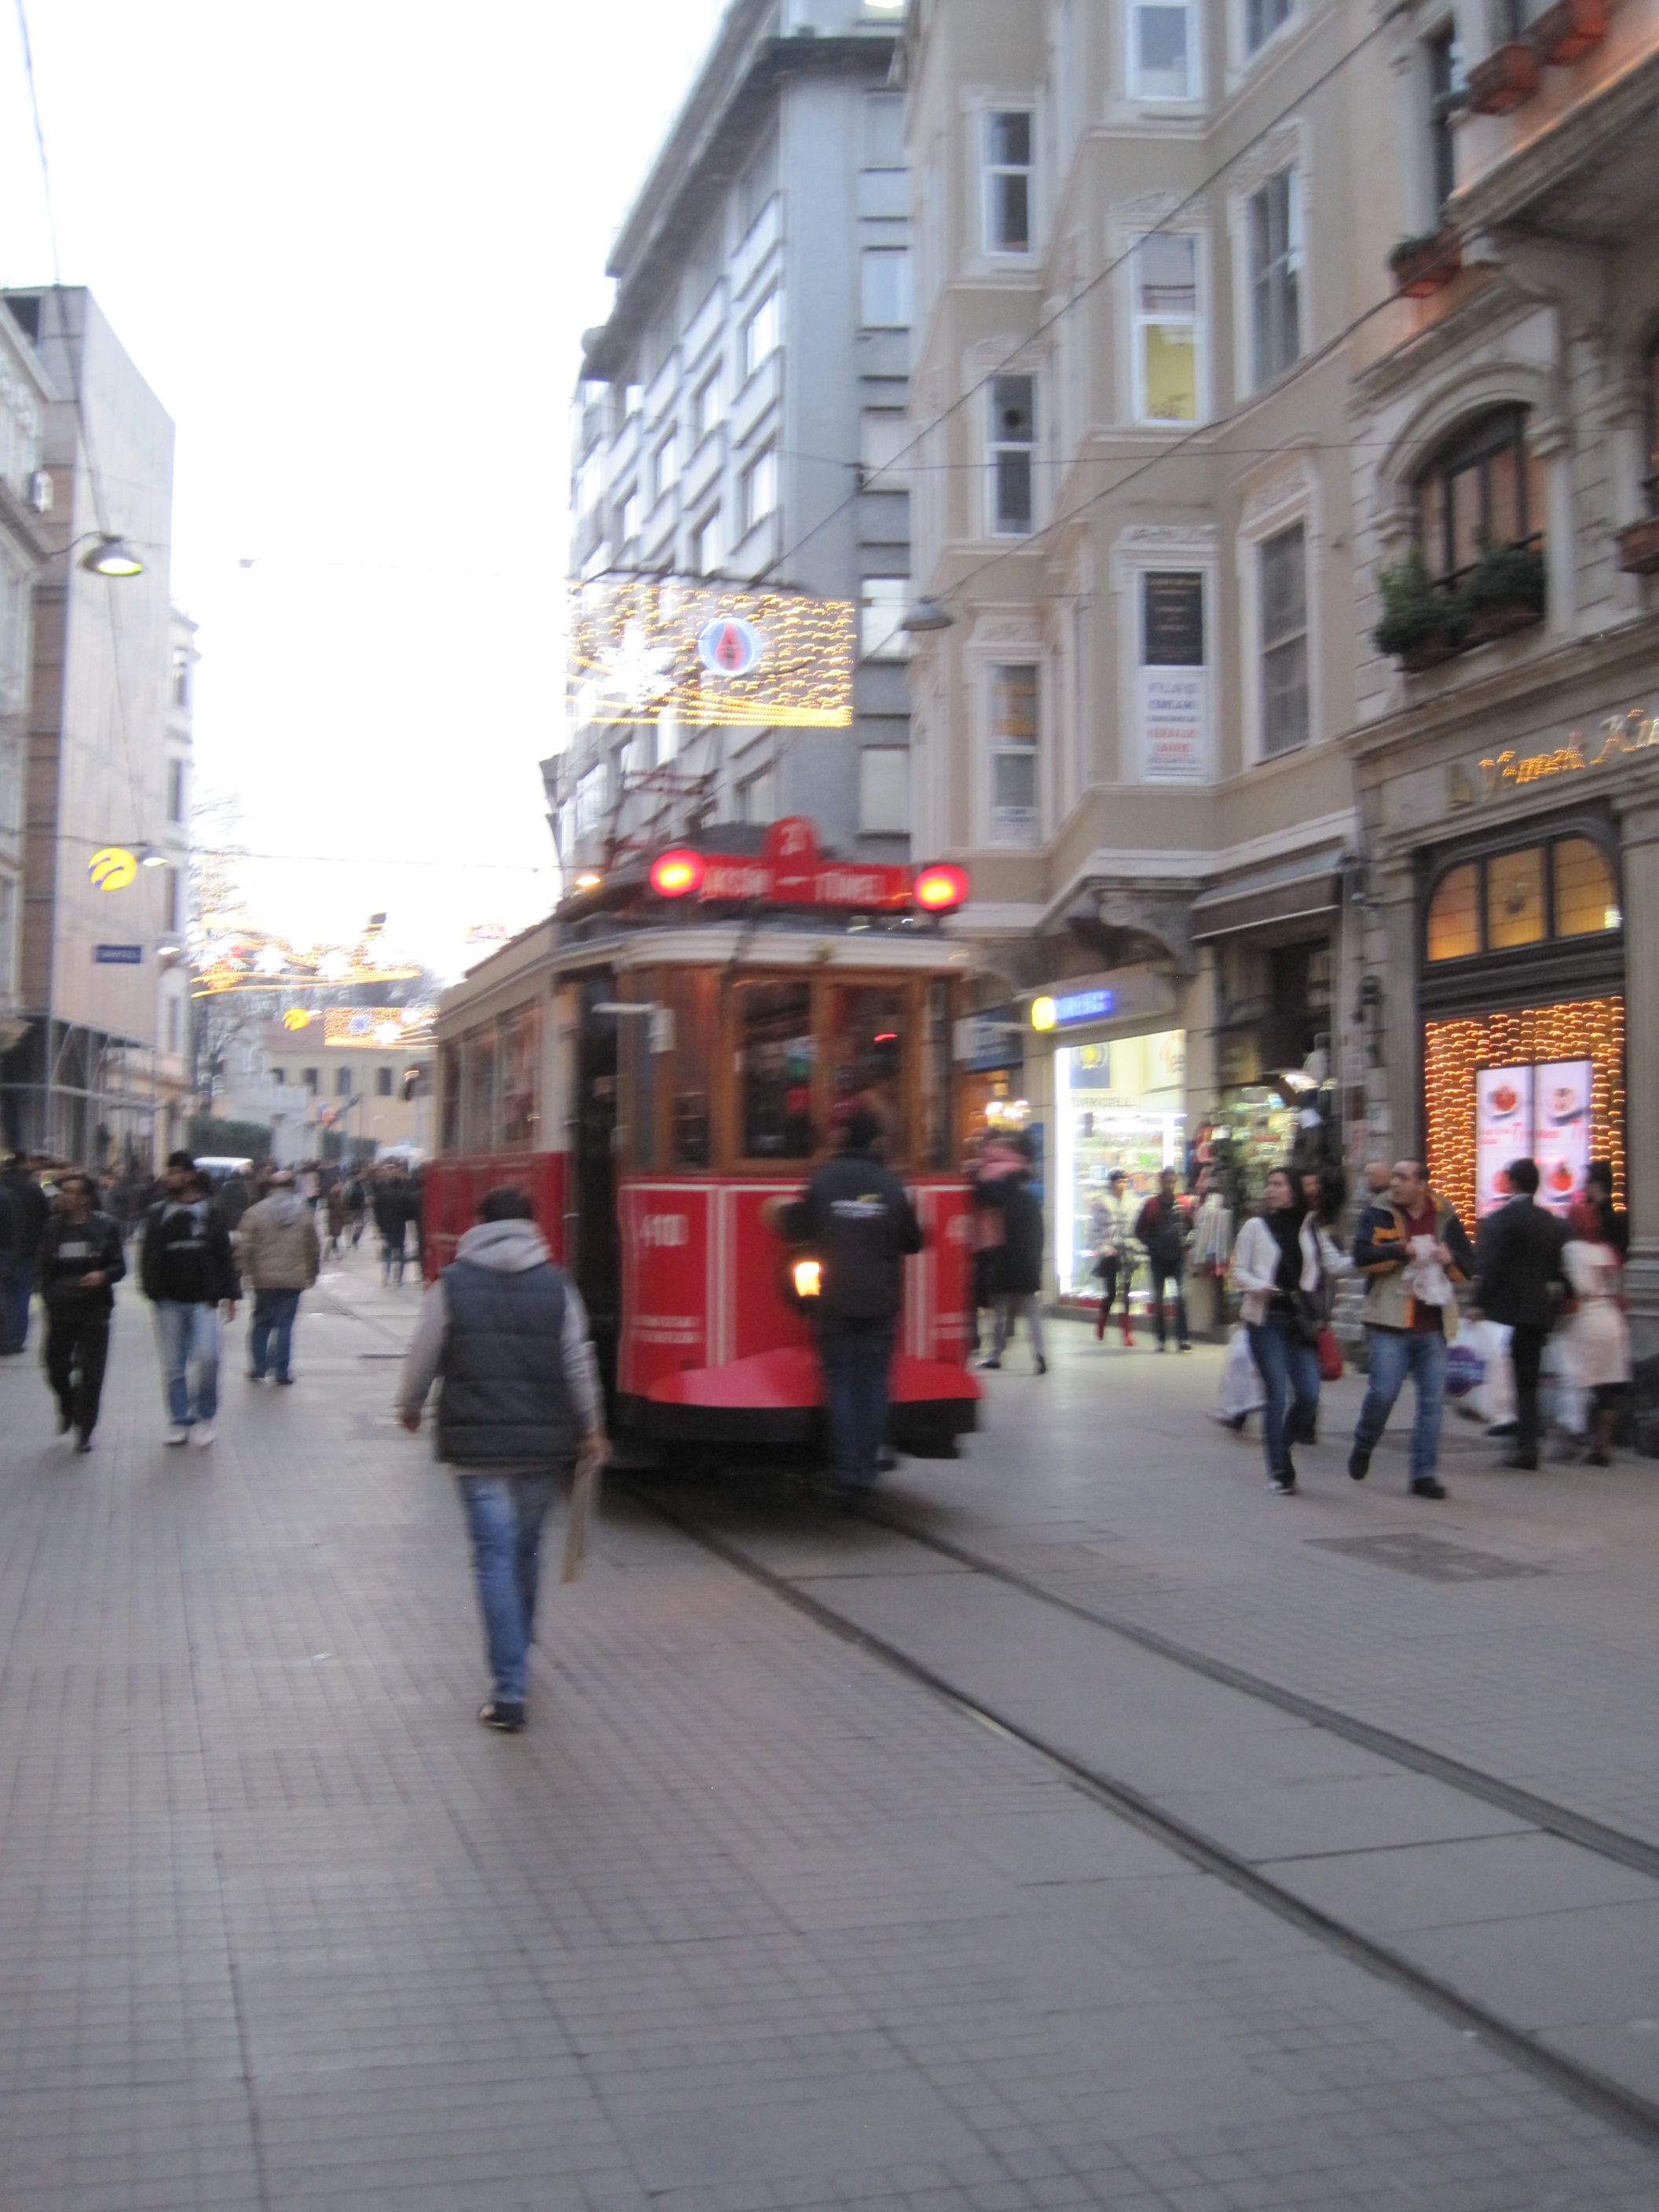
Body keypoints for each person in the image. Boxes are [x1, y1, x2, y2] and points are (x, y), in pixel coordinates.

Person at [397, 1186, 606, 1733]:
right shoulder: (557, 1286)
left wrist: (410, 1405)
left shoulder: (451, 1285)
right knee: (526, 1550)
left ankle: (508, 1692)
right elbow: (577, 1362)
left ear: (480, 1223)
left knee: (493, 1556)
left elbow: (424, 1353)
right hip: (539, 1446)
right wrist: (590, 1427)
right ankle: (520, 1647)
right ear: (532, 1225)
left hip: (477, 1447)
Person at [769, 1105, 924, 1492]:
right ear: (875, 1140)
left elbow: (797, 1226)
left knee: (840, 1380)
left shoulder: (825, 1180)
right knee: (873, 1382)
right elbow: (913, 1241)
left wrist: (779, 1212)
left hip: (835, 1300)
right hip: (880, 1302)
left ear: (842, 1137)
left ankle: (847, 1468)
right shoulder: (890, 1184)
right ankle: (867, 1469)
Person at [1348, 1158, 1474, 1500]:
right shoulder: (1378, 1212)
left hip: (1432, 1324)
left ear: (1422, 1184)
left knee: (1432, 1404)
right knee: (1383, 1393)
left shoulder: (1444, 1216)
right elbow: (1360, 1256)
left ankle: (1424, 1474)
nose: (1395, 1183)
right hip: (1390, 1322)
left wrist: (1450, 1260)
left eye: (1403, 1178)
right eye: (1394, 1177)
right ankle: (1364, 1442)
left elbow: (1469, 1265)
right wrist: (1402, 1250)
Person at [1470, 1157, 1568, 1470]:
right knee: (1530, 1380)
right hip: (1538, 1310)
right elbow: (1557, 1269)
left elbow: (1490, 1265)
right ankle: (1529, 1443)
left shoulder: (1502, 1219)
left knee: (1513, 1377)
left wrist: (1478, 1302)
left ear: (1511, 1183)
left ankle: (1522, 1443)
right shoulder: (1550, 1221)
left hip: (1507, 1312)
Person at [140, 1154, 240, 1446]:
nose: (168, 1177)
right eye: (168, 1171)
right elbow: (147, 1255)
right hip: (168, 1300)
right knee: (173, 1365)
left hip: (203, 1299)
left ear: (190, 1176)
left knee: (208, 1358)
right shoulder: (158, 1213)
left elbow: (224, 1255)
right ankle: (179, 1420)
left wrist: (230, 1295)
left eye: (174, 1172)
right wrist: (152, 1289)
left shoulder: (210, 1211)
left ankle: (205, 1416)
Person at [37, 1172, 126, 1451]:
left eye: (71, 1192)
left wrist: (103, 1275)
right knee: (55, 1367)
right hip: (61, 1309)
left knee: (91, 1374)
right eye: (63, 1191)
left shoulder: (105, 1227)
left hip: (94, 1310)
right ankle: (67, 1402)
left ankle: (85, 1430)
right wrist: (49, 1297)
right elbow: (43, 1269)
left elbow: (119, 1266)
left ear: (86, 1199)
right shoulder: (52, 1227)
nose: (64, 1197)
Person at [1557, 1198, 1629, 1467]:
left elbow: (1568, 1289)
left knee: (1573, 1379)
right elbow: (1620, 1289)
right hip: (1611, 1319)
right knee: (1606, 1386)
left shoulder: (1571, 1250)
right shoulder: (1608, 1251)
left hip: (1585, 1319)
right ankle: (1602, 1448)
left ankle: (1571, 1436)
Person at [236, 1166, 321, 1384]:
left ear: (270, 1188)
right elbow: (313, 1246)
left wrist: (240, 1273)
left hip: (263, 1279)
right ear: (292, 1187)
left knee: (261, 1321)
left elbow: (244, 1246)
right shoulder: (304, 1213)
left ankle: (259, 1367)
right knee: (285, 1324)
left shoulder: (255, 1212)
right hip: (294, 1278)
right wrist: (313, 1271)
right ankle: (282, 1371)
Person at [984, 1154, 1046, 1374]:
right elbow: (1040, 1235)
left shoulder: (1003, 1204)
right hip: (1028, 1266)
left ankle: (995, 1355)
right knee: (1032, 1314)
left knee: (999, 1314)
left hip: (1005, 1265)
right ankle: (1040, 1355)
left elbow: (998, 1236)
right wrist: (1037, 1259)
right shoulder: (1032, 1203)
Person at [1134, 1168, 1191, 1351]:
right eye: (1167, 1182)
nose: (1170, 1185)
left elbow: (1191, 1227)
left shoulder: (1182, 1204)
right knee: (1158, 1301)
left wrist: (1186, 1243)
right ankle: (1161, 1339)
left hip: (1176, 1259)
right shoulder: (1151, 1204)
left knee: (1180, 1298)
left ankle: (1182, 1338)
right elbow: (1138, 1230)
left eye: (1173, 1182)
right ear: (1161, 1183)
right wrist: (1152, 1244)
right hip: (1158, 1260)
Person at [1, 1153, 50, 1353]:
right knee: (21, 1294)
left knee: (5, 1294)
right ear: (22, 1164)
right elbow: (46, 1219)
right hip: (26, 1250)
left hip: (7, 1249)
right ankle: (16, 1338)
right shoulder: (33, 1189)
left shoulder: (4, 1187)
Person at [1092, 1170, 1137, 1346]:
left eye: (1124, 1182)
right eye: (1119, 1182)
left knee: (1126, 1293)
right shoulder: (1102, 1203)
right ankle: (1102, 1321)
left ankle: (1126, 1333)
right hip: (1109, 1252)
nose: (1122, 1185)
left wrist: (1136, 1246)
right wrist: (1102, 1247)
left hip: (1127, 1251)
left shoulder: (1132, 1202)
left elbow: (1136, 1227)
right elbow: (1093, 1229)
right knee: (1111, 1293)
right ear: (1112, 1184)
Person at [1584, 1160, 1628, 1260]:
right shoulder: (1615, 1219)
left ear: (1597, 1185)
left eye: (1587, 1182)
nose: (1585, 1187)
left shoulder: (1600, 1220)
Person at [374, 1166, 408, 1287]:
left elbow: (377, 1211)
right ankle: (398, 1277)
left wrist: (379, 1226)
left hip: (386, 1227)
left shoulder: (382, 1194)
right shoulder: (403, 1195)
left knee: (387, 1251)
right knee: (400, 1251)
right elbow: (408, 1212)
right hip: (399, 1227)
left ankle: (386, 1274)